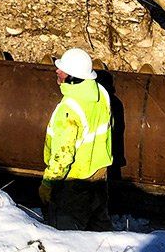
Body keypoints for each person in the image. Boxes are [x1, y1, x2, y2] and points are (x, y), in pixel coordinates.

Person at [39, 46, 113, 230]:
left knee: (66, 236)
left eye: (63, 71)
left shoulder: (69, 110)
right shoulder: (101, 93)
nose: (57, 70)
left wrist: (48, 184)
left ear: (73, 78)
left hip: (74, 181)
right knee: (99, 228)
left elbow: (62, 155)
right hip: (99, 173)